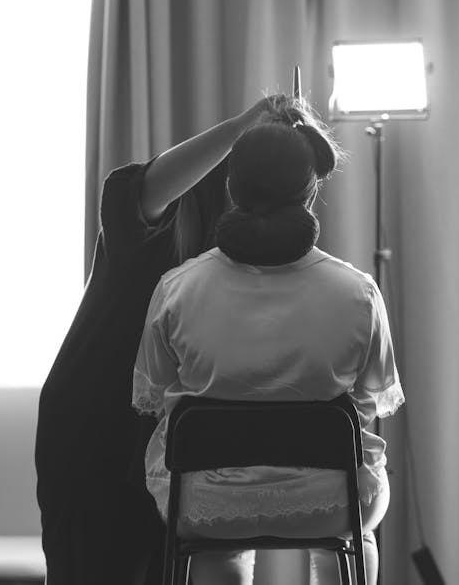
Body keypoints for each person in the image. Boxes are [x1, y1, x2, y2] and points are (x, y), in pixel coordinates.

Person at [132, 95, 403, 585]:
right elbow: (370, 402)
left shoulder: (178, 288)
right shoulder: (357, 292)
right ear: (311, 189)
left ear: (231, 187)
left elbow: (154, 396)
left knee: (216, 529)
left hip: (204, 505)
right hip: (332, 503)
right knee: (355, 526)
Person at [35, 95, 277, 585]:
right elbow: (138, 188)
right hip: (92, 434)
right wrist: (242, 126)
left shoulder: (242, 270)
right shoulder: (141, 230)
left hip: (169, 454)